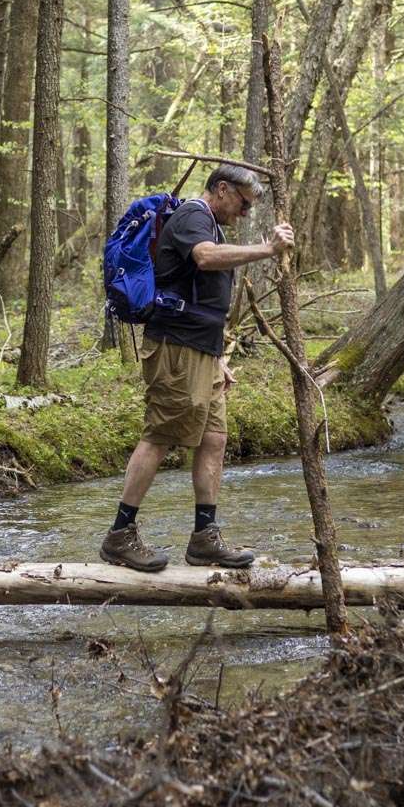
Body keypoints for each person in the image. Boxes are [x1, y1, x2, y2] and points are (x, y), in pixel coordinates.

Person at [100, 164, 294, 572]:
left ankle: (205, 538)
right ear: (221, 189)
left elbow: (204, 298)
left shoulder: (212, 224)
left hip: (202, 350)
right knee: (160, 434)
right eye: (242, 203)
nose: (244, 214)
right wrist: (266, 250)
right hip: (174, 347)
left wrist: (218, 357)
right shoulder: (192, 215)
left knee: (214, 439)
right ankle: (120, 534)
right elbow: (205, 259)